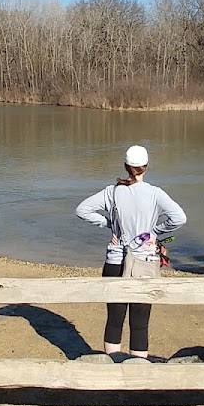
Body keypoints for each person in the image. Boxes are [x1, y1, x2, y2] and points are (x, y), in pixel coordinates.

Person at [76, 145, 187, 361]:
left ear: (126, 166)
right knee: (140, 323)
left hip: (115, 261)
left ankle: (113, 367)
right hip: (144, 261)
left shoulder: (112, 191)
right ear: (146, 167)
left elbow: (82, 210)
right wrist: (154, 232)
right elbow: (179, 218)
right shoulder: (155, 193)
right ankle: (137, 372)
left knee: (114, 319)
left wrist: (109, 224)